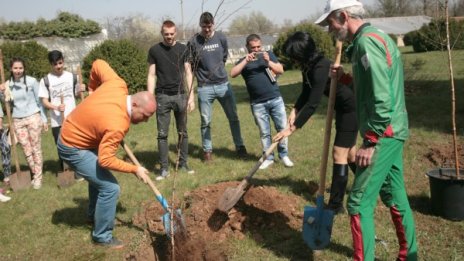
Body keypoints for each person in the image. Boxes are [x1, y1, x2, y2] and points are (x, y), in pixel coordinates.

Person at [315, 0, 417, 260]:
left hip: (384, 133)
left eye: (331, 23)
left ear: (344, 15)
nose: (329, 30)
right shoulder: (373, 38)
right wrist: (348, 78)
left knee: (358, 203)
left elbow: (382, 97)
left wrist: (370, 142)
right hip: (394, 129)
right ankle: (409, 255)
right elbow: (374, 82)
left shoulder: (366, 43)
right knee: (393, 195)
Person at [57, 59, 155, 249]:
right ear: (134, 104)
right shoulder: (117, 124)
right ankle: (102, 236)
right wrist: (135, 169)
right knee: (110, 188)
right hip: (72, 146)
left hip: (81, 134)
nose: (145, 121)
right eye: (145, 116)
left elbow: (98, 64)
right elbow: (106, 159)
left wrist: (92, 90)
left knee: (99, 181)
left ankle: (92, 216)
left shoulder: (118, 85)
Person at [273, 31, 357, 214]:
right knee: (350, 155)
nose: (292, 60)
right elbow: (306, 91)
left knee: (339, 154)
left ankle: (335, 205)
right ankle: (369, 184)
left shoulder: (320, 68)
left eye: (294, 56)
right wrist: (295, 110)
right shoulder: (308, 66)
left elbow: (313, 103)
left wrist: (292, 128)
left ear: (301, 54)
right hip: (343, 109)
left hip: (352, 108)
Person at [188, 11, 247, 162]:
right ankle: (207, 151)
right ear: (200, 25)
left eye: (208, 26)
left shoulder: (221, 37)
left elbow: (224, 56)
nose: (206, 29)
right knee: (205, 122)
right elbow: (191, 65)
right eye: (203, 26)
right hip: (204, 88)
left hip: (223, 85)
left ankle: (240, 146)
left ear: (213, 24)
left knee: (233, 117)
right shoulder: (194, 41)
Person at [230, 34, 294, 169]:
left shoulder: (268, 54)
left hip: (275, 98)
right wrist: (245, 61)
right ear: (247, 47)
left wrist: (268, 62)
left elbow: (280, 70)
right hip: (257, 103)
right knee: (264, 132)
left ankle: (284, 155)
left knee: (282, 128)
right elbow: (233, 73)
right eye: (253, 47)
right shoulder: (244, 60)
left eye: (259, 46)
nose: (256, 49)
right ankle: (268, 157)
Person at [147, 20, 195, 180]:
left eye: (172, 34)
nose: (169, 37)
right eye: (166, 34)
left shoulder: (183, 49)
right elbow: (151, 75)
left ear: (176, 33)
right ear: (162, 33)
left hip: (181, 95)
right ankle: (164, 169)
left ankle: (183, 163)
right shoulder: (154, 50)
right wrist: (149, 97)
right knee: (162, 134)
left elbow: (189, 73)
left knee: (183, 132)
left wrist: (191, 96)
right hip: (162, 96)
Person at [0, 57, 48, 189]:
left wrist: (44, 119)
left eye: (20, 68)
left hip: (33, 116)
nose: (18, 70)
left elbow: (40, 102)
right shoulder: (8, 84)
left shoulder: (32, 82)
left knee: (35, 148)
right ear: (11, 69)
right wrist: (1, 91)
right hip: (17, 119)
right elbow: (6, 101)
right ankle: (35, 171)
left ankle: (38, 178)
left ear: (24, 68)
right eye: (15, 68)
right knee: (26, 149)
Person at [39, 50, 85, 180]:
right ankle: (65, 172)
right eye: (55, 64)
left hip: (73, 118)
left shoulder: (72, 77)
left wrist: (81, 89)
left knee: (77, 144)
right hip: (56, 121)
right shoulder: (46, 80)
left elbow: (76, 94)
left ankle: (79, 171)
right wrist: (56, 107)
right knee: (62, 147)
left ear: (63, 61)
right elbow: (44, 101)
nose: (58, 66)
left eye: (60, 63)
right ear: (51, 64)